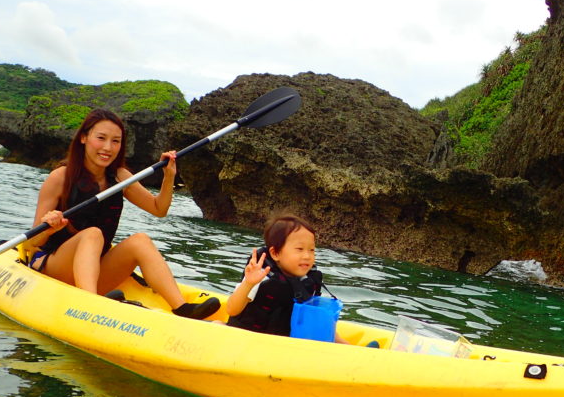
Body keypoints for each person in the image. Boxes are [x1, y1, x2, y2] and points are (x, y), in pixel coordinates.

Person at [27, 108, 216, 320]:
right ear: (84, 138)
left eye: (115, 141)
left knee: (140, 240)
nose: (108, 147)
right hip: (54, 265)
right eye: (101, 138)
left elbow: (158, 209)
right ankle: (88, 305)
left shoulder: (120, 177)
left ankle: (182, 308)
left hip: (94, 269)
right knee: (93, 234)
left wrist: (169, 176)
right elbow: (33, 242)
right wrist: (49, 225)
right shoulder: (60, 177)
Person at [226, 213, 344, 341]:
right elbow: (232, 310)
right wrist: (248, 283)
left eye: (311, 250)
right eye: (300, 249)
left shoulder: (308, 281)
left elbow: (316, 323)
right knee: (220, 326)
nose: (307, 256)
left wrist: (348, 347)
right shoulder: (260, 275)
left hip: (281, 344)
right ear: (275, 253)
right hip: (244, 339)